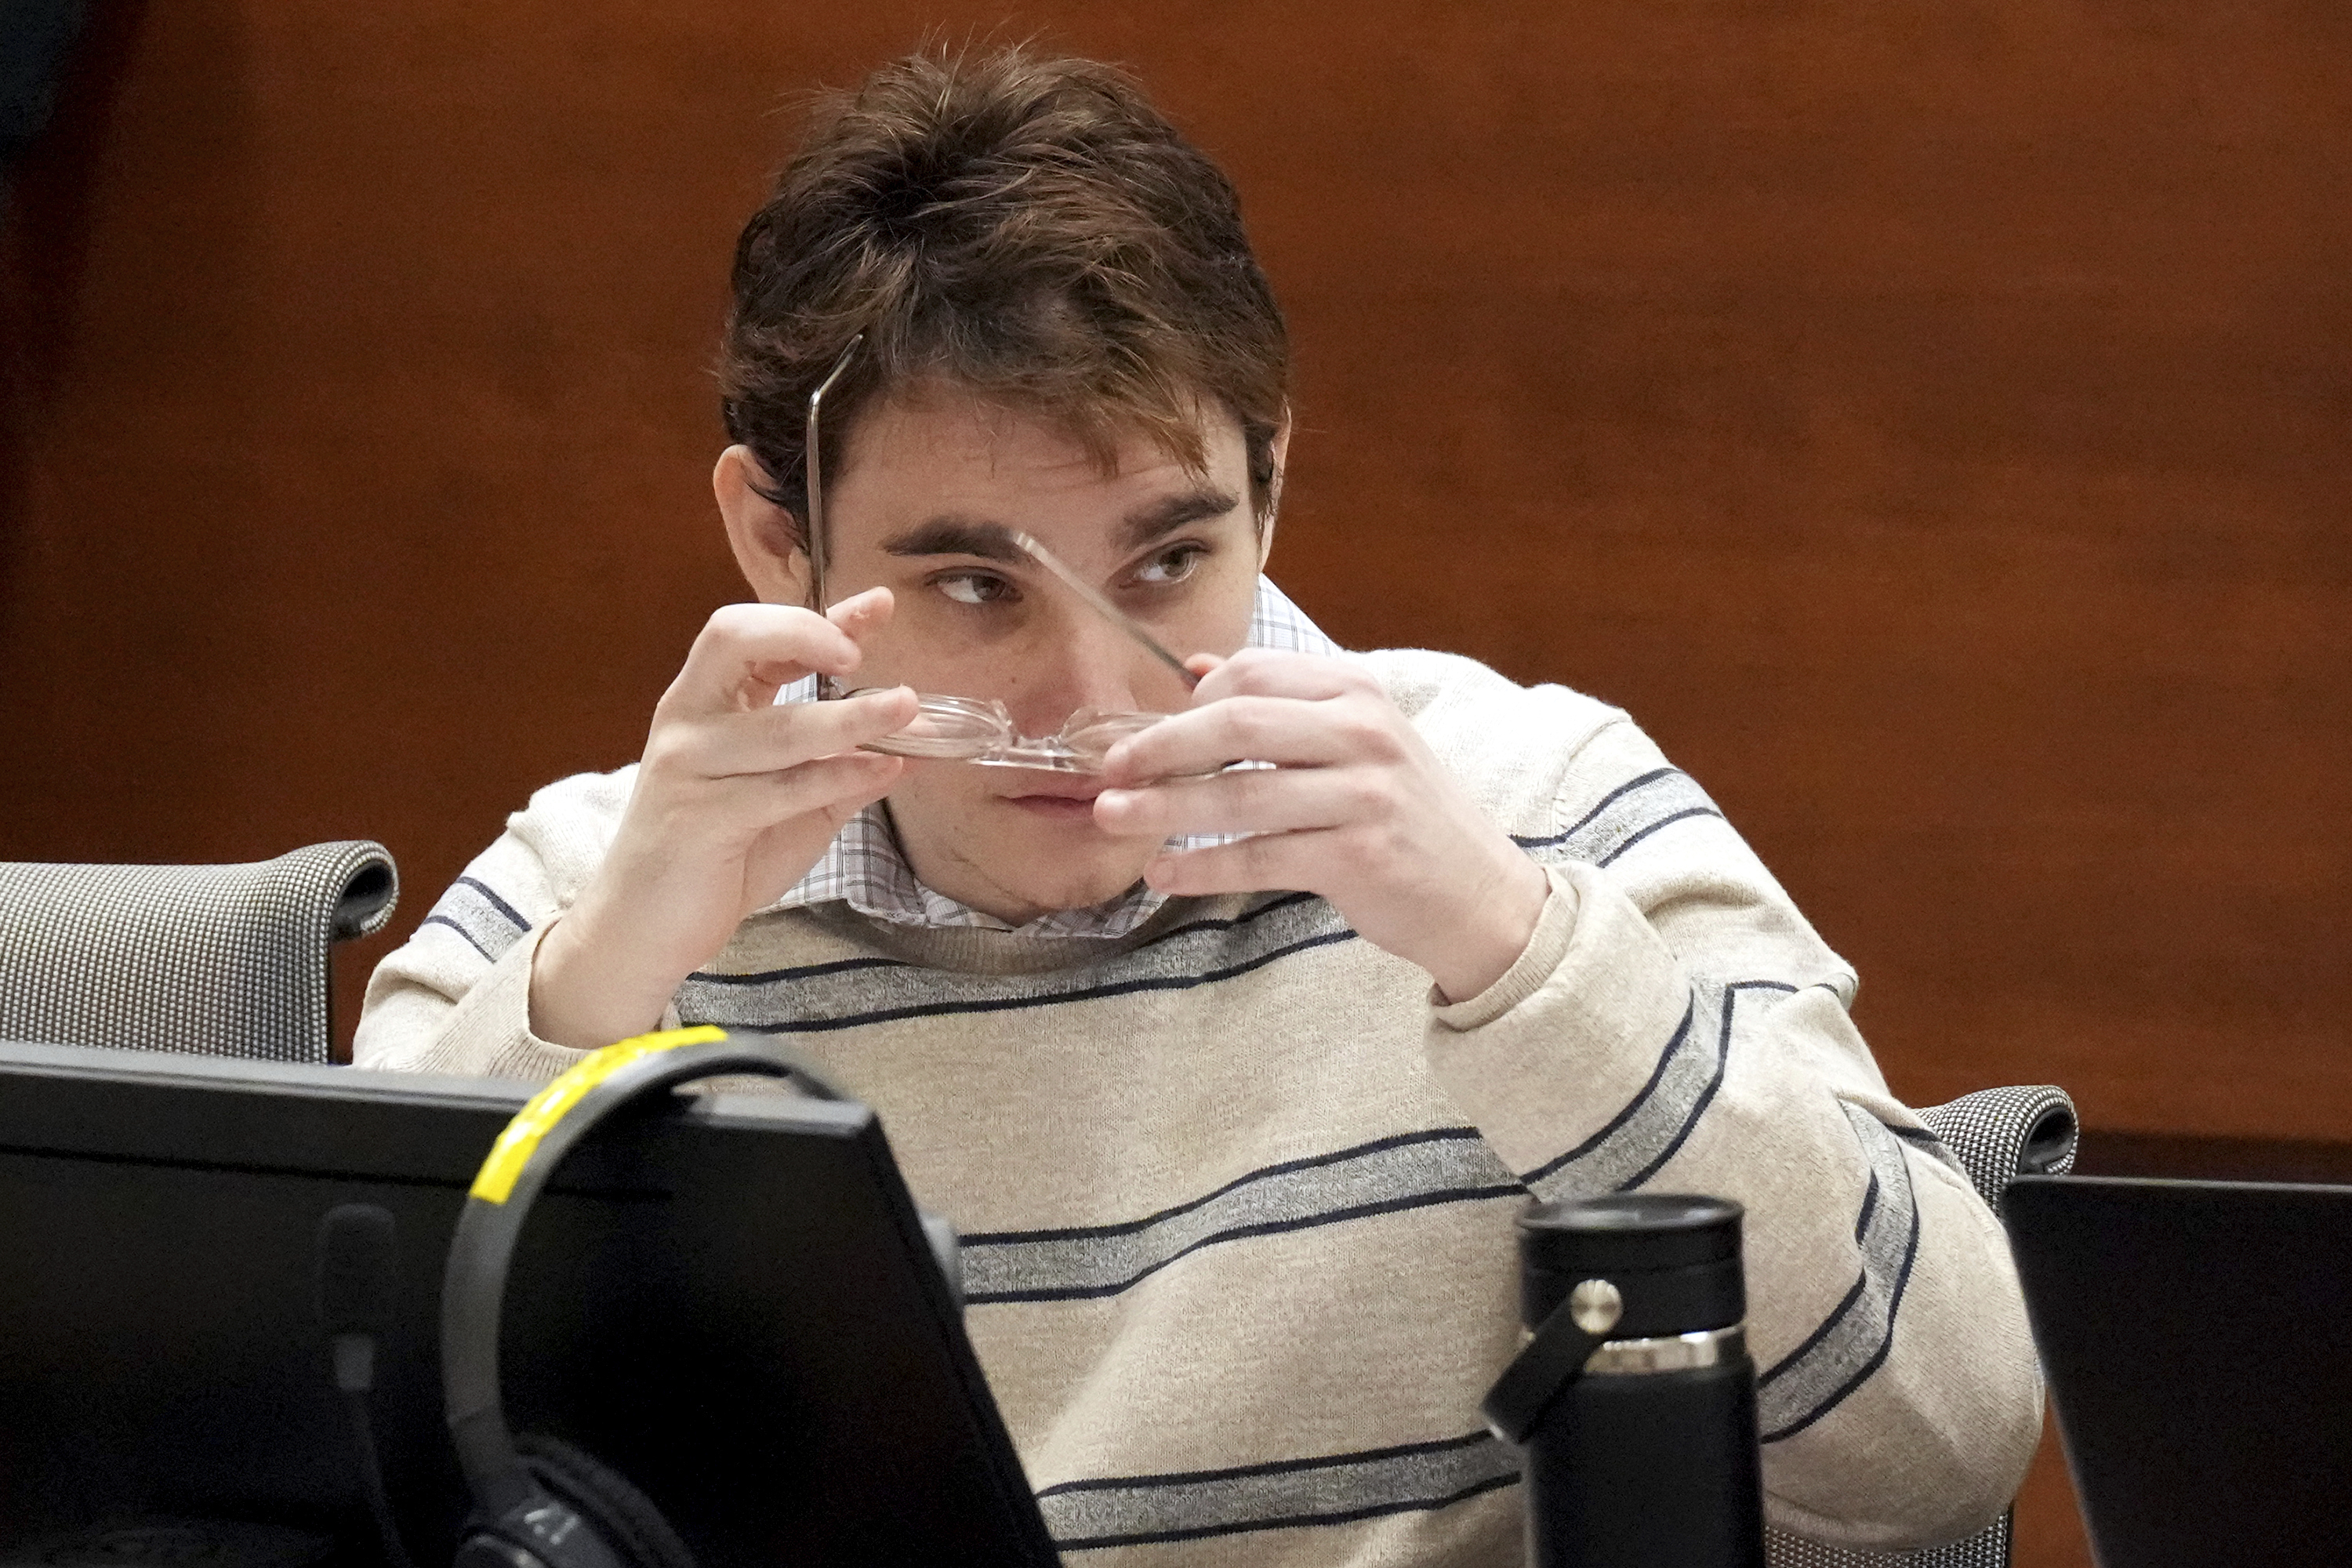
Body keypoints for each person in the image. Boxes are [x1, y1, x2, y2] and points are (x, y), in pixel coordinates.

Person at [356, 45, 2041, 1565]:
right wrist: (588, 1010)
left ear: (1273, 482)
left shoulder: (1536, 806)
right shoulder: (606, 886)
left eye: (1168, 562)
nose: (1096, 709)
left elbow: (1948, 1452)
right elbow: (329, 1459)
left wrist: (1520, 957)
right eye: (971, 588)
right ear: (774, 542)